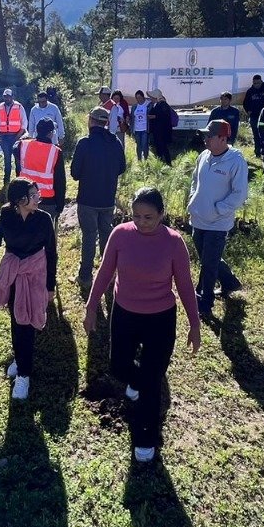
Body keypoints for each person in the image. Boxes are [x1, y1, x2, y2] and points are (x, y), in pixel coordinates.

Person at [83, 187, 201, 463]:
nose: (141, 222)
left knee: (151, 381)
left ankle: (146, 437)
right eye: (136, 216)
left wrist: (194, 324)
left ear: (161, 214)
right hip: (125, 313)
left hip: (160, 319)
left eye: (148, 217)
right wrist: (90, 307)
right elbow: (104, 272)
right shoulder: (121, 234)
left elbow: (184, 285)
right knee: (118, 366)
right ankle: (139, 382)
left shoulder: (173, 242)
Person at [0, 178, 58, 401]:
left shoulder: (44, 219)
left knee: (26, 325)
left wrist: (50, 286)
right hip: (13, 275)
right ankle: (20, 359)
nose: (39, 197)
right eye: (34, 194)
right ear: (20, 200)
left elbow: (51, 253)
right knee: (16, 320)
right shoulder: (7, 217)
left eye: (38, 193)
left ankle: (24, 376)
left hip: (35, 276)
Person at [187, 120, 248, 320]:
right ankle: (229, 282)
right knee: (208, 258)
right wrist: (192, 201)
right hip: (198, 219)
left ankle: (205, 302)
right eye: (205, 136)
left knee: (208, 262)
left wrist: (218, 209)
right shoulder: (203, 156)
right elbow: (195, 181)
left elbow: (239, 193)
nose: (205, 140)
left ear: (223, 138)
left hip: (217, 223)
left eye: (209, 136)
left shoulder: (235, 161)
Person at [70, 105, 125, 288]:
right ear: (106, 122)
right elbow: (122, 168)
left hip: (87, 199)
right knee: (106, 236)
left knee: (88, 238)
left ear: (91, 121)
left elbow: (75, 173)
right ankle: (108, 276)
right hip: (107, 198)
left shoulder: (84, 143)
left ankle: (85, 278)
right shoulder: (115, 142)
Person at [17, 118, 66, 220]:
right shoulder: (56, 152)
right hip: (47, 201)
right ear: (51, 133)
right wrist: (60, 204)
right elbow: (60, 181)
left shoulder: (23, 145)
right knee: (45, 234)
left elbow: (18, 169)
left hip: (25, 198)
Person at [0, 89, 28, 188]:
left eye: (8, 96)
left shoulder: (19, 106)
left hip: (16, 136)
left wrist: (18, 137)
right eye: (5, 96)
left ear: (12, 97)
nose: (7, 98)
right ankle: (6, 182)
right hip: (4, 137)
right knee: (7, 161)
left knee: (18, 160)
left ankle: (19, 180)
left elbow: (24, 124)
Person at [242, 75, 264, 150]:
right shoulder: (250, 91)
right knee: (256, 134)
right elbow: (245, 103)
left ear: (261, 81)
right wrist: (248, 111)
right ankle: (257, 151)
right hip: (254, 116)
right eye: (254, 83)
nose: (256, 85)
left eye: (258, 83)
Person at [146, 89, 175, 164]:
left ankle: (167, 163)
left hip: (162, 132)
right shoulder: (156, 105)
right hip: (157, 131)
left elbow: (164, 117)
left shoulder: (163, 104)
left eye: (152, 97)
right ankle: (161, 163)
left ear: (156, 97)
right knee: (159, 147)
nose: (151, 99)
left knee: (163, 148)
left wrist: (154, 116)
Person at [131, 90, 151, 161]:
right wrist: (132, 129)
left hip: (144, 129)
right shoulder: (134, 107)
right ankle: (139, 159)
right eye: (137, 98)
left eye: (139, 97)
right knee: (138, 145)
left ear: (143, 97)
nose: (138, 99)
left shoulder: (147, 105)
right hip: (137, 129)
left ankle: (146, 158)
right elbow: (132, 118)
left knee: (144, 145)